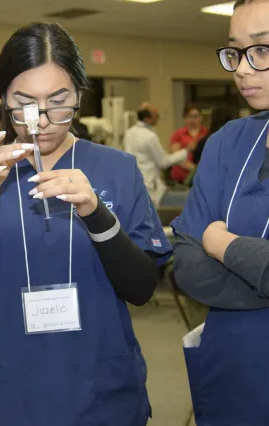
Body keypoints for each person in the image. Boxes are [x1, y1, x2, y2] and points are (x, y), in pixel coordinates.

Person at [0, 22, 172, 426]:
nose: (40, 120)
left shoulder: (117, 169)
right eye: (23, 103)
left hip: (97, 385)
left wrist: (96, 212)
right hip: (4, 386)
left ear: (80, 95)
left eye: (58, 101)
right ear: (3, 100)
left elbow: (141, 287)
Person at [171, 0, 269, 424]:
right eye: (236, 51)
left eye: (262, 49)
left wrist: (221, 243)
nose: (242, 69)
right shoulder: (229, 142)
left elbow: (205, 243)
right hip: (235, 367)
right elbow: (187, 265)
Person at [124, 102, 194, 206]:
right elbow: (163, 162)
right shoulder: (149, 136)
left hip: (134, 183)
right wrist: (186, 151)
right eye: (155, 114)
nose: (158, 117)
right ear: (147, 118)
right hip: (149, 186)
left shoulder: (129, 133)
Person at [169, 103, 208, 184]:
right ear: (185, 118)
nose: (192, 120)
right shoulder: (177, 135)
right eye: (189, 116)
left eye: (195, 116)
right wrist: (195, 169)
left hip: (204, 179)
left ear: (201, 117)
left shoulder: (207, 133)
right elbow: (176, 157)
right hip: (181, 180)